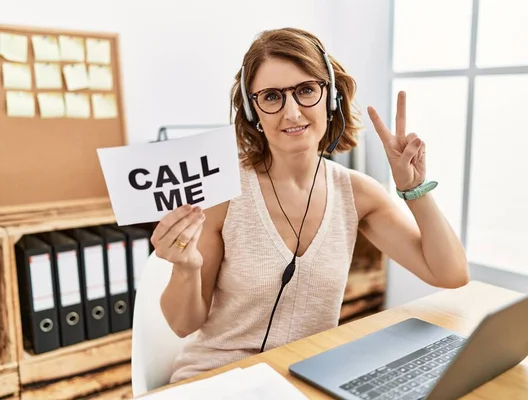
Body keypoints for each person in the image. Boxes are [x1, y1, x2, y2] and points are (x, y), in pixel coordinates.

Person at [152, 27, 469, 384]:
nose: (291, 113)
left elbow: (451, 274)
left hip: (306, 379)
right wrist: (186, 267)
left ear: (330, 97)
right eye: (272, 97)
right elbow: (183, 325)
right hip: (218, 378)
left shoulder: (357, 194)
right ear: (254, 110)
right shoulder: (224, 194)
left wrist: (414, 189)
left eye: (305, 91)